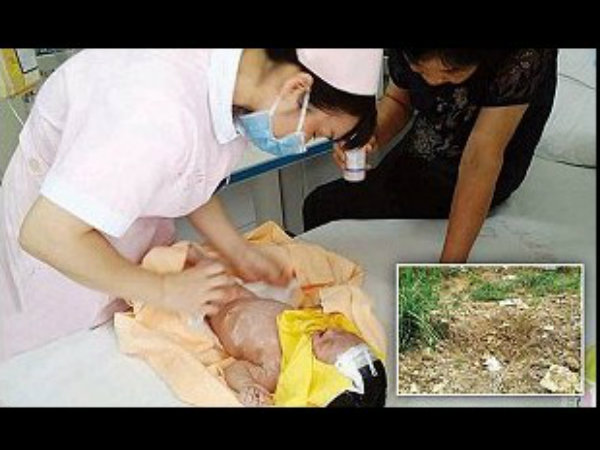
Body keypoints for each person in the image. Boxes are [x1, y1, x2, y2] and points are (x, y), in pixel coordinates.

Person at [0, 48, 382, 360]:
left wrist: (236, 250)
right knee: (67, 367)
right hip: (59, 271)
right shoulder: (155, 109)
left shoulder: (239, 90)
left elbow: (188, 171)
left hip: (128, 252)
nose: (302, 143)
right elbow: (46, 235)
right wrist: (163, 289)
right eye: (314, 132)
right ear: (297, 88)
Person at [303, 49, 558, 263]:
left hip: (481, 170)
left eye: (451, 72)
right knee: (320, 206)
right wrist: (370, 134)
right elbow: (398, 101)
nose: (434, 82)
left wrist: (448, 268)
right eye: (420, 70)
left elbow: (480, 158)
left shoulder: (524, 57)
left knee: (330, 210)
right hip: (421, 154)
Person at [207, 282, 387, 407]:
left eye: (329, 342)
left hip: (216, 312)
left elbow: (234, 369)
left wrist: (247, 385)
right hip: (243, 294)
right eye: (342, 332)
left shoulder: (277, 371)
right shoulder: (312, 326)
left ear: (321, 372)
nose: (331, 331)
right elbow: (343, 299)